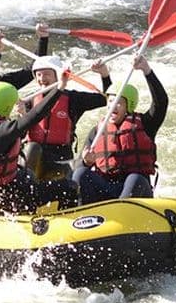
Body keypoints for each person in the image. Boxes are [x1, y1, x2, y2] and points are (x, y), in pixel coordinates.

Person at [0, 79, 79, 214]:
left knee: (28, 175)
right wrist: (60, 87)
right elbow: (36, 115)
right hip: (4, 195)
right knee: (69, 187)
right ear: (6, 107)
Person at [72, 55, 168, 203]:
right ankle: (81, 217)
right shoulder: (98, 131)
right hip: (107, 188)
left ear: (129, 106)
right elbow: (79, 166)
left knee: (135, 178)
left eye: (118, 103)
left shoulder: (146, 123)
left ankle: (123, 213)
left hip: (135, 190)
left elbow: (161, 102)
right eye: (110, 102)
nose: (112, 106)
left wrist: (146, 71)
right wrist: (86, 162)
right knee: (80, 174)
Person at [22, 55, 112, 181]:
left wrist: (104, 74)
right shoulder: (28, 100)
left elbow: (107, 99)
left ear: (58, 76)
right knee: (32, 148)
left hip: (61, 157)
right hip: (36, 158)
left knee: (74, 175)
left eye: (47, 74)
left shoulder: (73, 99)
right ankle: (26, 187)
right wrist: (21, 115)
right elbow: (17, 132)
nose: (42, 79)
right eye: (39, 75)